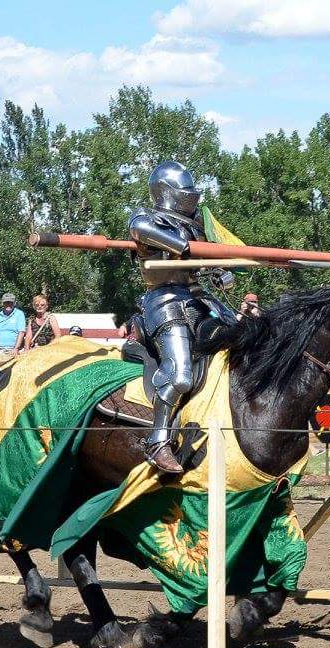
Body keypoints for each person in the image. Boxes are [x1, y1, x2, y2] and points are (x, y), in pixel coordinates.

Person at [128, 160, 237, 474]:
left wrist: (220, 272)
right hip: (164, 299)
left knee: (244, 335)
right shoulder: (148, 216)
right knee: (180, 375)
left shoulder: (195, 225)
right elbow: (139, 229)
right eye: (184, 191)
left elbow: (208, 262)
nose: (191, 197)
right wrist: (182, 246)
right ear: (167, 192)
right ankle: (158, 440)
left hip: (198, 297)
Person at [0, 293, 26, 357]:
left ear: (14, 303)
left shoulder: (19, 314)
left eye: (10, 302)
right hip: (0, 349)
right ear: (2, 303)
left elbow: (21, 332)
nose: (8, 305)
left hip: (16, 349)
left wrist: (16, 348)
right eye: (6, 302)